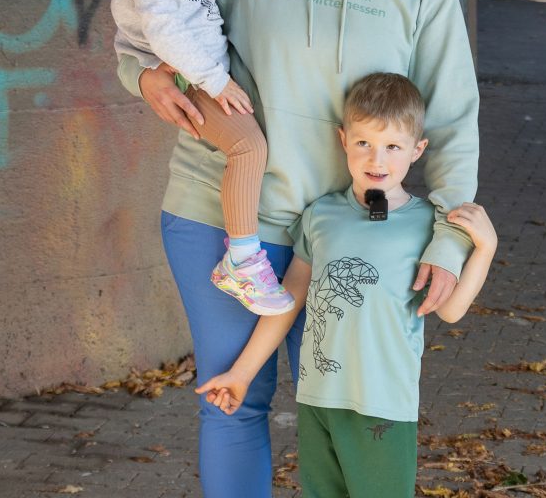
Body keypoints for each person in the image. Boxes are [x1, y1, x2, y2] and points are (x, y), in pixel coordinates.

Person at [117, 0, 480, 498]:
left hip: (349, 230)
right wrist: (143, 76)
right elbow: (153, 21)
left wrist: (448, 240)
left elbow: (456, 120)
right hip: (220, 214)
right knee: (233, 398)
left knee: (341, 409)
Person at [196, 72, 497, 498]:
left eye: (393, 146)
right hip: (318, 399)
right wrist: (242, 375)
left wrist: (485, 248)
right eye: (364, 143)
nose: (377, 159)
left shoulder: (429, 224)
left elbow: (450, 310)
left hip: (383, 406)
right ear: (343, 140)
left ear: (418, 150)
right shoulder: (321, 216)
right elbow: (289, 300)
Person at [95, 0, 295, 316]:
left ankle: (243, 255)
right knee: (248, 147)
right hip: (190, 78)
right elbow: (164, 35)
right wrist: (215, 79)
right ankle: (243, 260)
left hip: (199, 74)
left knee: (251, 147)